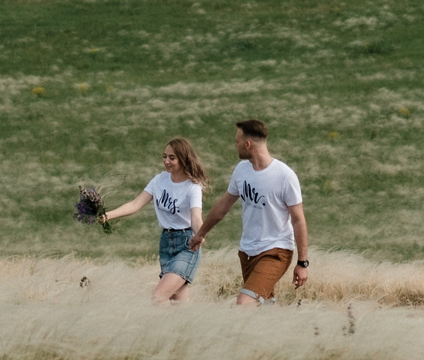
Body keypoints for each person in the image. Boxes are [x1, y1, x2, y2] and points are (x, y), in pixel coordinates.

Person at [189, 118, 308, 306]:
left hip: (276, 250)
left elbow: (298, 220)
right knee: (263, 307)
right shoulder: (242, 170)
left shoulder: (284, 176)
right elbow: (223, 206)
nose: (235, 145)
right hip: (247, 252)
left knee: (244, 302)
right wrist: (201, 233)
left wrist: (302, 263)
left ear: (248, 144)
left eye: (237, 142)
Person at [96, 137, 207, 301]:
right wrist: (107, 216)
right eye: (165, 156)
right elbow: (135, 204)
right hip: (166, 244)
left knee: (158, 296)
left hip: (187, 245)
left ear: (184, 159)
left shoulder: (193, 187)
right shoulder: (159, 180)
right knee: (179, 305)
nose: (166, 161)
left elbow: (196, 217)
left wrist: (201, 235)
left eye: (172, 158)